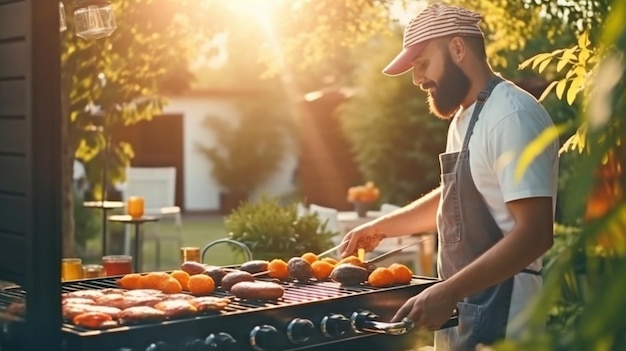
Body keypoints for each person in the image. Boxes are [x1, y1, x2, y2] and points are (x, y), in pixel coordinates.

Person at [339, 3, 559, 350]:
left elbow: (534, 235)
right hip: (466, 305)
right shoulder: (466, 117)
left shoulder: (511, 117)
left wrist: (450, 290)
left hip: (508, 313)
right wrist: (381, 227)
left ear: (458, 49)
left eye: (423, 63)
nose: (417, 79)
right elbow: (454, 196)